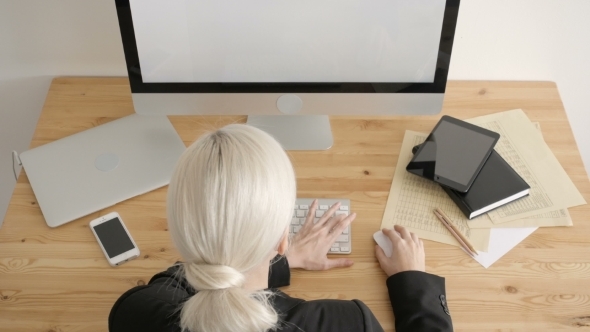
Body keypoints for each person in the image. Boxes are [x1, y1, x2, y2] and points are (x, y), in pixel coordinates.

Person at [109, 124, 453, 332]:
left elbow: (175, 284)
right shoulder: (345, 324)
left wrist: (279, 261)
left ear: (179, 233)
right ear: (282, 237)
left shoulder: (134, 314)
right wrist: (413, 286)